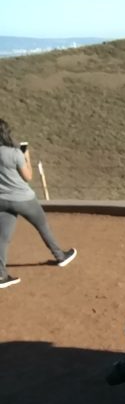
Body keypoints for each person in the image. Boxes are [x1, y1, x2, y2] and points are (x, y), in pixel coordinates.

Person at [0, 119, 76, 288]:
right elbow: (28, 177)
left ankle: (1, 275)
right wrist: (26, 157)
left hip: (2, 200)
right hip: (23, 199)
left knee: (3, 237)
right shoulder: (14, 153)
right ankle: (60, 256)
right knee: (43, 226)